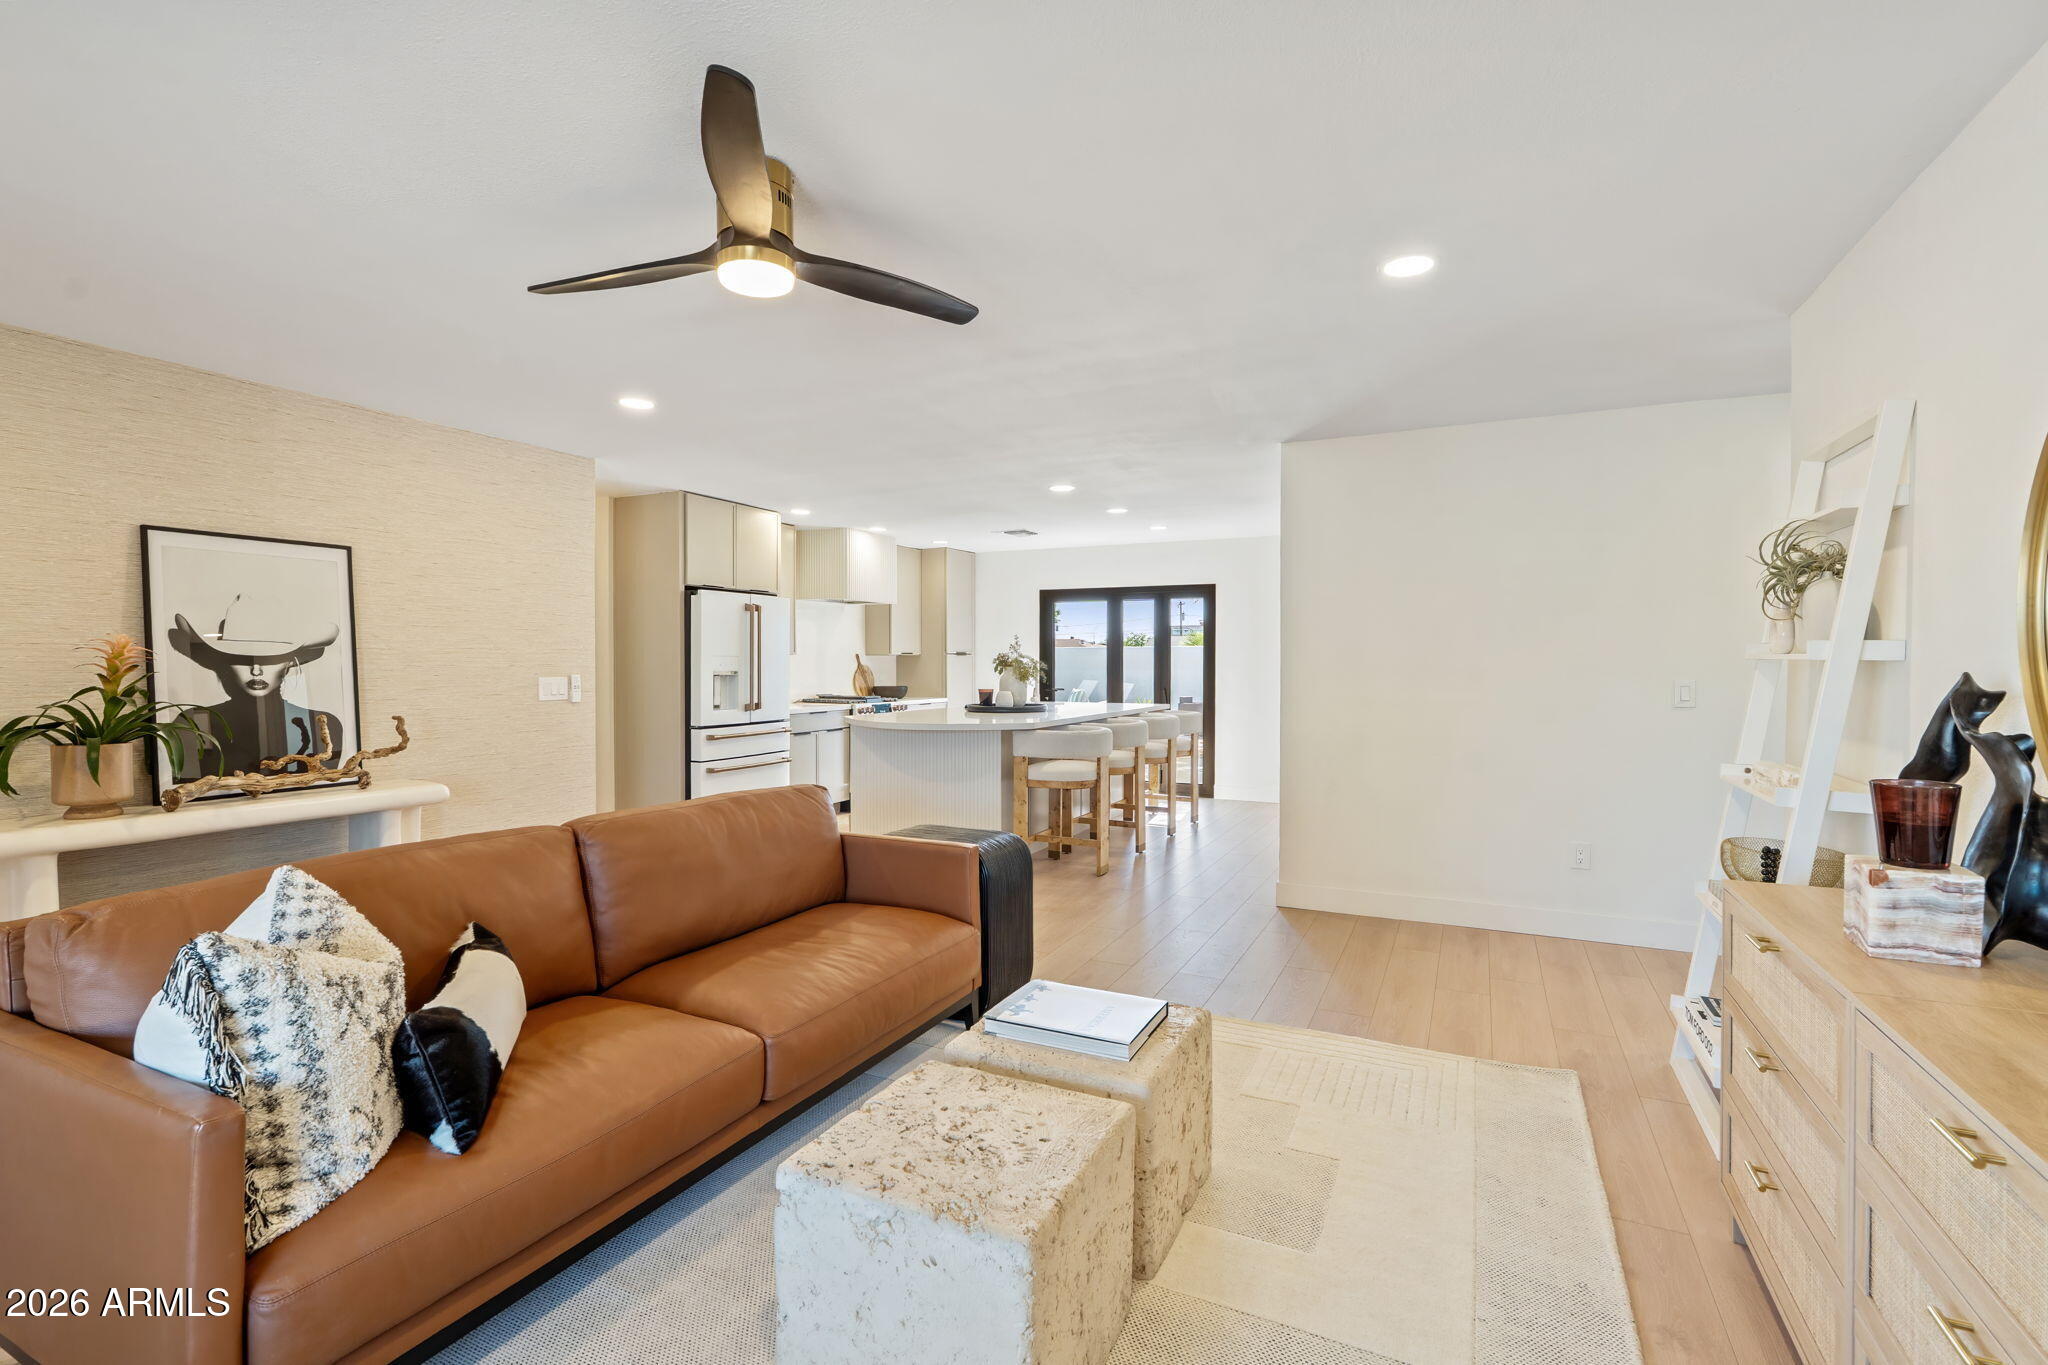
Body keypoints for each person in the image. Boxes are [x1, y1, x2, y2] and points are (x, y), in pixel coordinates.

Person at [169, 595, 346, 779]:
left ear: (288, 663)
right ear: (226, 663)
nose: (256, 670)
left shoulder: (323, 725)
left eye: (270, 658)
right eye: (242, 658)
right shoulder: (193, 723)